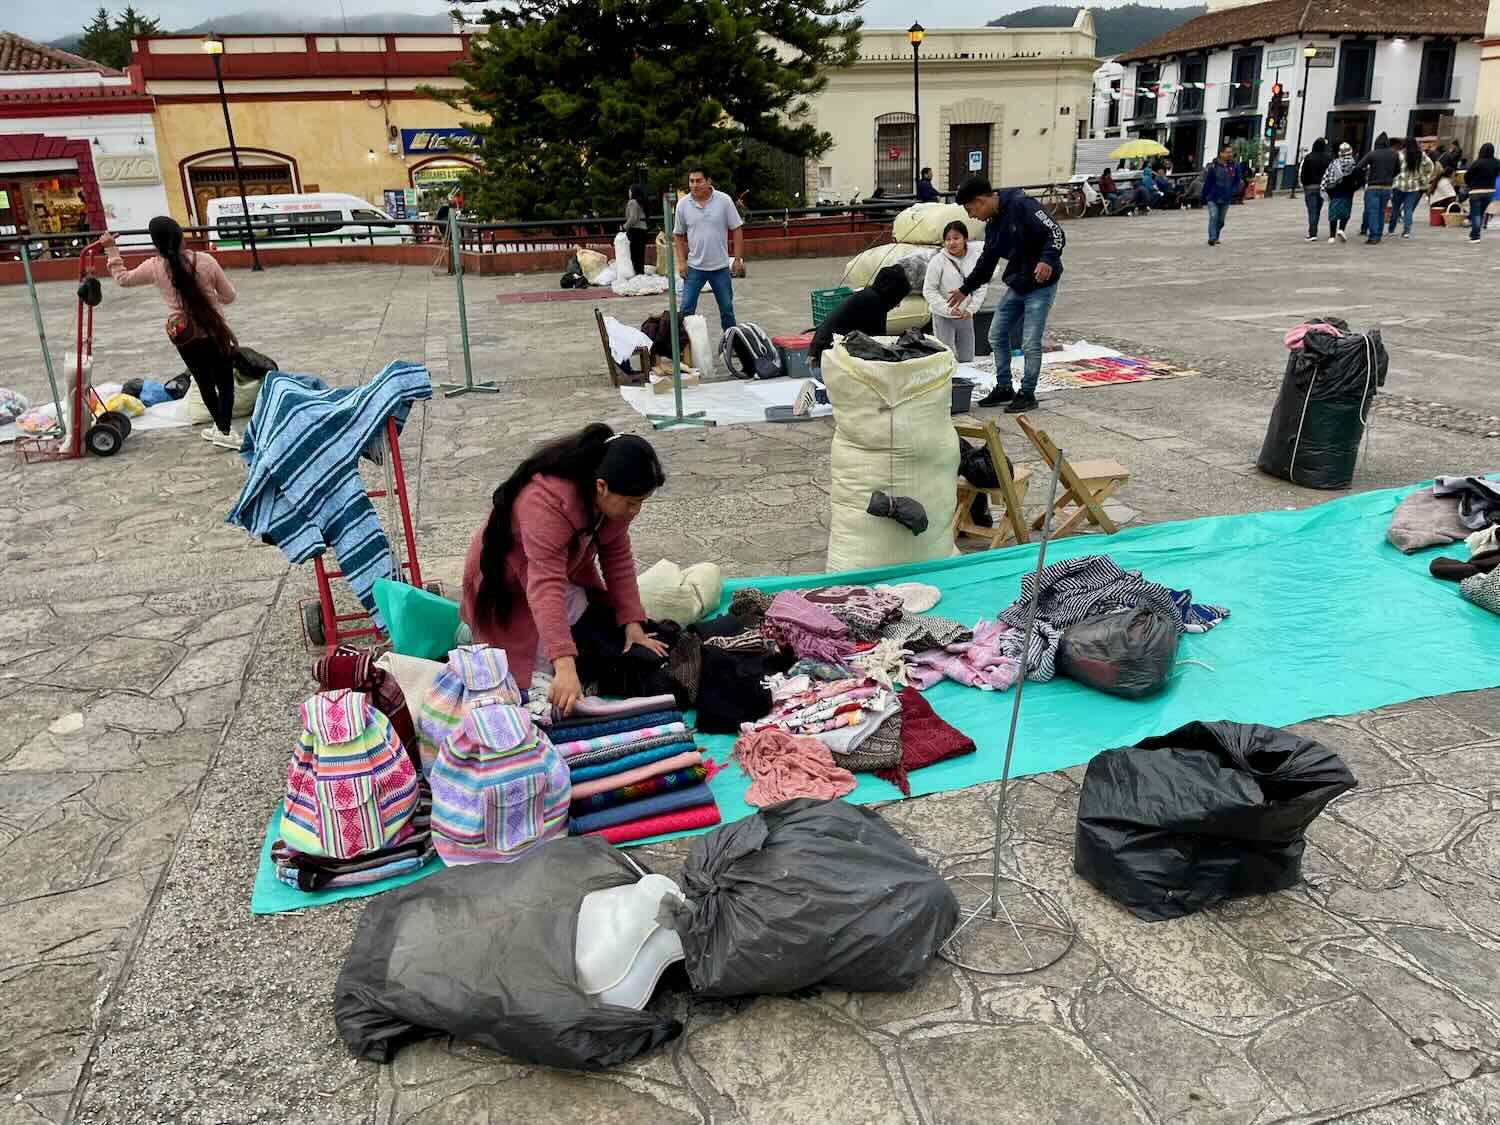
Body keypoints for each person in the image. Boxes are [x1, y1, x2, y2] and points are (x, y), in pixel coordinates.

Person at [460, 425, 669, 716]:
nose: (636, 510)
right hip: (503, 591)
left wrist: (633, 624)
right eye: (632, 502)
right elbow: (545, 586)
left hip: (556, 581)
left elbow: (617, 558)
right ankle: (476, 632)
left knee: (594, 632)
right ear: (601, 487)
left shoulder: (613, 501)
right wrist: (564, 663)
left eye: (641, 503)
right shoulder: (544, 502)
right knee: (542, 687)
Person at [100, 217, 240, 450]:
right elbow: (230, 295)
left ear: (156, 242)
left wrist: (111, 249)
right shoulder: (205, 261)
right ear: (180, 235)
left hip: (184, 334)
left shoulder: (154, 266)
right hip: (214, 330)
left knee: (204, 382)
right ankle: (224, 430)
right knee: (225, 382)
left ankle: (220, 426)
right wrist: (216, 300)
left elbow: (123, 279)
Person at [949, 174, 1065, 414]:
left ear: (981, 200)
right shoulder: (993, 225)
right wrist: (964, 290)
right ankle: (1004, 387)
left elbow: (1055, 233)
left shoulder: (1023, 205)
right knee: (996, 334)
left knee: (1030, 342)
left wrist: (1047, 260)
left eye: (971, 210)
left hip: (1041, 285)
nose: (971, 216)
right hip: (1018, 283)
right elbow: (986, 264)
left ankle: (1027, 392)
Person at [795, 263, 911, 414]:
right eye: (898, 298)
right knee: (873, 398)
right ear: (892, 292)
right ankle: (817, 395)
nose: (898, 305)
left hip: (822, 360)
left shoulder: (868, 296)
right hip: (825, 365)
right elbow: (876, 348)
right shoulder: (874, 304)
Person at [674, 165, 744, 328]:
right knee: (686, 309)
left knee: (727, 309)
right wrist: (681, 262)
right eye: (691, 181)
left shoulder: (724, 201)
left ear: (708, 181)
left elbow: (737, 229)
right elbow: (678, 235)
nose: (694, 185)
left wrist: (737, 259)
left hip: (720, 267)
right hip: (694, 268)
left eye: (699, 181)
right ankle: (685, 347)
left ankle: (730, 343)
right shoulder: (683, 205)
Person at [923, 221, 987, 362]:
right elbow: (929, 290)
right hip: (943, 316)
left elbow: (981, 286)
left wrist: (970, 309)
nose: (952, 242)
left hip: (965, 316)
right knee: (946, 358)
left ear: (965, 239)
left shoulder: (976, 258)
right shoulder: (938, 261)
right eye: (948, 239)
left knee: (967, 357)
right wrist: (947, 309)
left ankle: (967, 383)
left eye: (956, 238)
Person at [1355, 132, 1399, 244]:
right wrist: (1389, 176)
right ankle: (1378, 234)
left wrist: (1366, 176)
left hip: (1373, 186)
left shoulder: (1372, 154)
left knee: (1373, 211)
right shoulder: (1394, 154)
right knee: (1381, 211)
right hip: (1387, 187)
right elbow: (1398, 170)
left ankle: (1373, 236)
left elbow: (1359, 167)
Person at [1389, 137, 1434, 240]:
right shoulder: (1421, 155)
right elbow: (1430, 166)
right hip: (1414, 186)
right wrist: (1423, 177)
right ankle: (1406, 232)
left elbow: (1393, 168)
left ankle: (1391, 230)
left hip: (1399, 185)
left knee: (1395, 208)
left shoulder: (1399, 154)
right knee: (1408, 209)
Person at [1202, 144, 1242, 246]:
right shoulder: (1213, 167)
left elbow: (1237, 180)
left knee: (1220, 221)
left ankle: (1216, 236)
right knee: (1213, 216)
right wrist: (1204, 196)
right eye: (1227, 152)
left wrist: (1233, 190)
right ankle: (1212, 238)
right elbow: (1208, 182)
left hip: (1226, 197)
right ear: (1221, 153)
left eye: (1231, 152)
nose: (1230, 154)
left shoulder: (1234, 166)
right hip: (1213, 196)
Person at [1321, 141, 1359, 243]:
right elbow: (1359, 178)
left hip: (1335, 191)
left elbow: (1327, 176)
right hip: (1348, 192)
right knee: (1345, 212)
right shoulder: (1353, 164)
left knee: (1333, 213)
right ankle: (1341, 229)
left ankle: (1332, 236)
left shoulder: (1334, 163)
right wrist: (1355, 188)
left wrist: (1326, 188)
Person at [1464, 142, 1498, 243]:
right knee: (1480, 213)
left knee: (1476, 214)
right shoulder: (1496, 162)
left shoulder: (1477, 163)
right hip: (1489, 192)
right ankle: (1474, 232)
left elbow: (1467, 176)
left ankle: (1475, 236)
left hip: (1475, 191)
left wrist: (1470, 184)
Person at [1299, 138, 1332, 242]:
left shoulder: (1309, 157)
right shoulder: (1328, 158)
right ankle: (1313, 230)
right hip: (1322, 187)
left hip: (1310, 187)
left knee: (1312, 210)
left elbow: (1303, 173)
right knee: (1317, 210)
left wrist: (1304, 184)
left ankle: (1312, 233)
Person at [622, 184, 649, 275]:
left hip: (635, 230)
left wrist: (624, 227)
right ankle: (640, 273)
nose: (628, 192)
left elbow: (633, 217)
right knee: (640, 255)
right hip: (643, 229)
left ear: (633, 192)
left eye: (630, 190)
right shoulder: (641, 202)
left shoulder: (633, 202)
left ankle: (637, 274)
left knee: (634, 254)